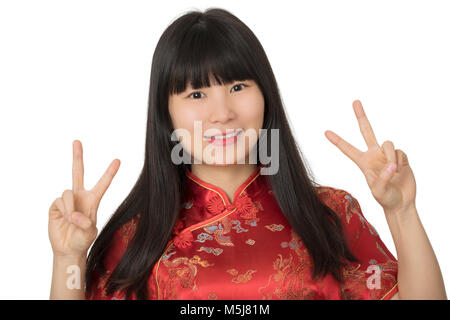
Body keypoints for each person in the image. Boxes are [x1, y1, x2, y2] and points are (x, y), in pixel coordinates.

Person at [48, 7, 446, 300]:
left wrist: (402, 212)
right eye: (197, 94)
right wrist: (68, 258)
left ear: (265, 97)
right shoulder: (138, 236)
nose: (222, 114)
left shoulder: (329, 214)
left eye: (238, 87)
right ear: (165, 112)